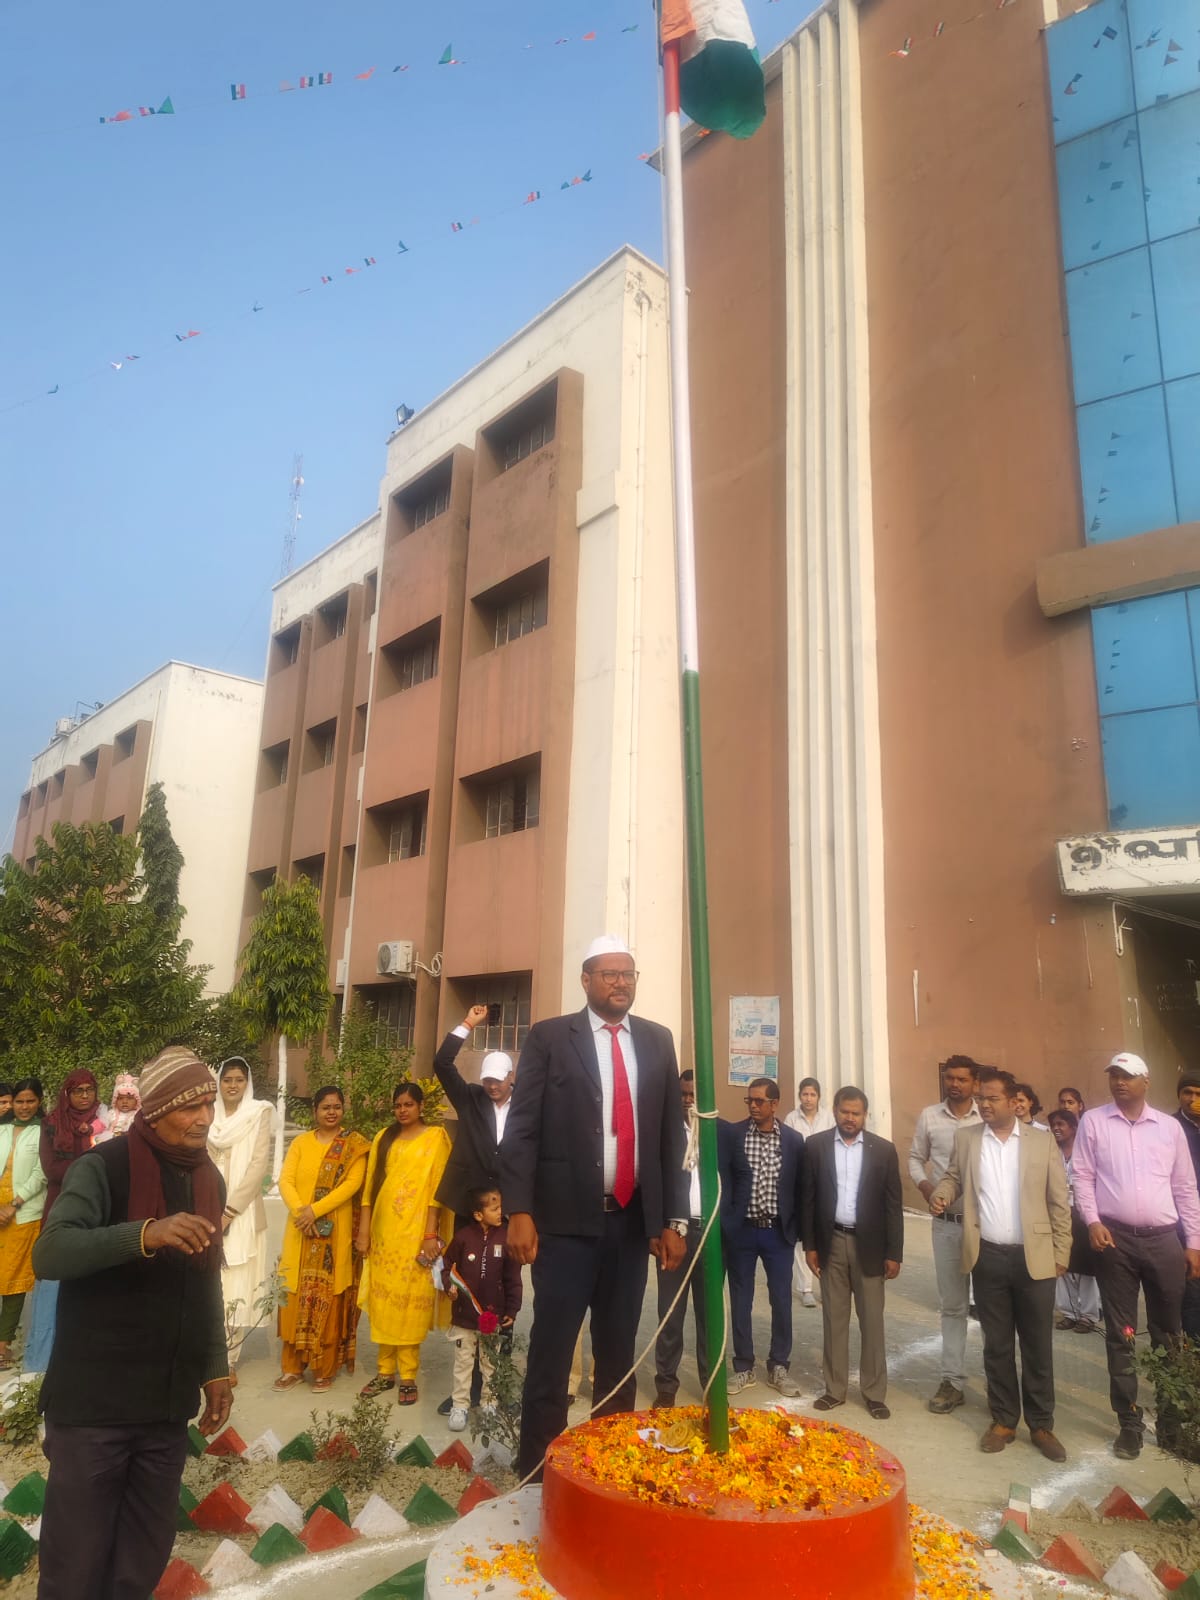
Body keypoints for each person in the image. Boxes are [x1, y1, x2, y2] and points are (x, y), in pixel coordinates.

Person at [33, 1046, 232, 1600]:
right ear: (159, 1108)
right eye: (190, 1107)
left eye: (209, 1105)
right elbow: (51, 1253)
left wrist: (215, 1366)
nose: (204, 1119)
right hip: (94, 1407)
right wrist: (145, 1234)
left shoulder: (207, 1178)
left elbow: (206, 1279)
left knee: (141, 1557)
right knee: (76, 1564)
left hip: (164, 1408)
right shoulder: (103, 1166)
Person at [501, 935, 689, 1482]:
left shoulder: (657, 1040)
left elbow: (669, 1137)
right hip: (563, 1228)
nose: (620, 983)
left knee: (618, 1355)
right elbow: (522, 1128)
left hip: (629, 1227)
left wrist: (673, 1220)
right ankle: (538, 1475)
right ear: (586, 980)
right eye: (609, 974)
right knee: (552, 1352)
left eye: (627, 974)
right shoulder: (550, 1037)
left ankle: (605, 1472)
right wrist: (519, 1209)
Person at [930, 1068, 1071, 1461]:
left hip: (1034, 1258)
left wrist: (1061, 1253)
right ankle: (1005, 1420)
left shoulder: (1042, 1142)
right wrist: (942, 1192)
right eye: (981, 1099)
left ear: (1014, 1102)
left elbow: (1059, 1201)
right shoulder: (968, 1138)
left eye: (992, 1099)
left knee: (1037, 1346)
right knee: (997, 1345)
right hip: (988, 1255)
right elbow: (953, 1177)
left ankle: (1041, 1425)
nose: (984, 1105)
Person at [1072, 1051, 1200, 1459]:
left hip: (1164, 1242)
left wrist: (1193, 1242)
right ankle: (1129, 1423)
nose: (1119, 1082)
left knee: (1169, 1333)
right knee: (1121, 1334)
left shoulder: (1168, 1128)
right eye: (1114, 1075)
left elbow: (1185, 1188)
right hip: (1116, 1242)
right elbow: (1082, 1176)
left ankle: (1170, 1422)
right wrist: (1092, 1221)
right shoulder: (1094, 1122)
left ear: (1146, 1081)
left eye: (1127, 1076)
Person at [431, 1003, 514, 1417]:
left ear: (511, 1078)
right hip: (471, 1208)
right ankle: (467, 1388)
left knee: (502, 1291)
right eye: (487, 1080)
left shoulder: (526, 1105)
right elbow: (442, 1063)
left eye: (498, 1080)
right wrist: (467, 1023)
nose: (492, 1086)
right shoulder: (471, 1099)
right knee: (468, 1291)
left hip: (508, 1212)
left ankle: (499, 1386)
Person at [802, 1087, 903, 1420]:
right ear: (834, 1110)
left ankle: (874, 1393)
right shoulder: (815, 1146)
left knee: (872, 1321)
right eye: (845, 1112)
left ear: (865, 1115)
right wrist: (810, 1245)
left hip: (870, 1246)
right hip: (831, 1242)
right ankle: (835, 1389)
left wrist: (894, 1252)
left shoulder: (883, 1150)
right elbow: (808, 1199)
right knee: (834, 1319)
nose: (850, 1118)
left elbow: (893, 1205)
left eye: (856, 1113)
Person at [654, 1071, 751, 1407]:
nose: (687, 1100)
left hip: (712, 1234)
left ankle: (711, 1386)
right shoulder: (666, 1133)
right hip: (675, 1234)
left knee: (710, 1316)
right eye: (683, 1094)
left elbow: (743, 1176)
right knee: (670, 1313)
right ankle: (666, 1386)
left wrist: (730, 1224)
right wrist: (658, 1228)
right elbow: (655, 1180)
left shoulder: (725, 1132)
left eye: (693, 1094)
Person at [356, 1082, 452, 1404]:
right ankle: (385, 1372)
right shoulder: (384, 1137)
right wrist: (364, 1230)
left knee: (409, 1303)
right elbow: (370, 1188)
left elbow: (437, 1190)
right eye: (398, 1105)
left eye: (408, 1104)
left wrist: (430, 1234)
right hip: (384, 1233)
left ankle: (408, 1375)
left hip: (416, 1236)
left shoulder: (435, 1138)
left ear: (421, 1106)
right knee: (384, 1303)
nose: (402, 1110)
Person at [274, 1085, 369, 1394]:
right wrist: (301, 1212)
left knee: (330, 1297)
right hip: (300, 1231)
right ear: (314, 1110)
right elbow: (285, 1180)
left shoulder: (354, 1146)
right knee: (294, 1295)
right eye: (326, 1107)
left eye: (337, 1106)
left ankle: (323, 1369)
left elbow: (352, 1185)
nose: (331, 1112)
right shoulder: (301, 1143)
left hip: (334, 1233)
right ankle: (291, 1368)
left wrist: (314, 1211)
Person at [908, 1054, 982, 1414]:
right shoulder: (929, 1116)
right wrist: (926, 1188)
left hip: (985, 1227)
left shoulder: (986, 1117)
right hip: (947, 1225)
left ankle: (1000, 1386)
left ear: (975, 1083)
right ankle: (952, 1382)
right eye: (950, 1078)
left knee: (993, 1310)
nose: (955, 1084)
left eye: (962, 1079)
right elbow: (914, 1158)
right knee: (953, 1307)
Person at [724, 1077, 805, 1398]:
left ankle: (779, 1365)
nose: (753, 1106)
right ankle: (743, 1366)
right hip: (742, 1231)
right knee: (740, 1300)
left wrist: (797, 1229)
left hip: (777, 1233)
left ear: (775, 1104)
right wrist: (728, 1222)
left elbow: (800, 1186)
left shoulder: (794, 1141)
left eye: (759, 1101)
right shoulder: (734, 1135)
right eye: (750, 1100)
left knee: (781, 1299)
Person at [25, 1068, 109, 1373]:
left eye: (89, 1090)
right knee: (53, 1282)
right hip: (59, 1207)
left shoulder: (105, 1122)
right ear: (67, 1094)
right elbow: (52, 1169)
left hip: (97, 1209)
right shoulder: (51, 1123)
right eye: (78, 1091)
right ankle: (40, 1366)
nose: (84, 1096)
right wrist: (90, 1167)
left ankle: (85, 1361)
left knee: (91, 1285)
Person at [209, 1058, 275, 1381]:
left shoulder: (258, 1113)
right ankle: (208, 1355)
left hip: (242, 1213)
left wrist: (229, 1212)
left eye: (239, 1079)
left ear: (247, 1083)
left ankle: (229, 1359)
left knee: (235, 1283)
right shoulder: (209, 1115)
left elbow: (258, 1166)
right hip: (207, 1209)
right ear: (219, 1083)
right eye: (227, 1079)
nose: (233, 1085)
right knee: (211, 1283)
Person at [442, 1184, 523, 1431]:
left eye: (501, 1208)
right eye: (494, 1209)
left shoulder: (506, 1237)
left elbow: (513, 1277)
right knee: (463, 1363)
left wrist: (512, 1309)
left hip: (491, 1316)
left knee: (490, 1364)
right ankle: (460, 1405)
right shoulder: (463, 1238)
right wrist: (449, 1286)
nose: (501, 1213)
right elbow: (447, 1266)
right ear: (478, 1214)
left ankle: (490, 1404)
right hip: (464, 1317)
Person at [0, 1079, 46, 1369]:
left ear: (39, 1102)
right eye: (20, 1101)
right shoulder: (2, 1130)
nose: (24, 1107)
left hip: (23, 1212)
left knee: (13, 1279)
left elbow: (41, 1173)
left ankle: (2, 1346)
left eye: (30, 1101)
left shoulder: (44, 1132)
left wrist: (13, 1205)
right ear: (12, 1102)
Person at [1047, 1109, 1103, 1333]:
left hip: (1083, 1215)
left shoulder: (1086, 1152)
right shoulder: (1051, 1153)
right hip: (1059, 1214)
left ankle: (1088, 1315)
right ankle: (1069, 1313)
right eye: (1053, 1125)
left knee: (1086, 1268)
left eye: (1061, 1124)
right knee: (1063, 1264)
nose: (1056, 1128)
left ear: (1074, 1127)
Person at [785, 1077, 835, 1308]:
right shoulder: (791, 1119)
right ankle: (805, 1288)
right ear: (799, 1096)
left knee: (824, 1231)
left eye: (812, 1094)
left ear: (819, 1097)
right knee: (802, 1234)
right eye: (805, 1094)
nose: (808, 1099)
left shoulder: (829, 1118)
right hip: (799, 1180)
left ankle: (826, 1284)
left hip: (824, 1180)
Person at [1176, 1070, 1200, 1340]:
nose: (1193, 1099)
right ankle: (1194, 1350)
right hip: (1184, 1224)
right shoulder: (1168, 1128)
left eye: (1198, 1094)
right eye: (1187, 1093)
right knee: (1192, 1288)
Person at [98, 1075, 141, 1142]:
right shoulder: (111, 1113)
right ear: (115, 1100)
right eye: (120, 1098)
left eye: (129, 1098)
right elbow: (102, 1126)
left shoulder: (138, 1115)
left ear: (137, 1101)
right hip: (109, 1141)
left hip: (129, 1142)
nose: (124, 1102)